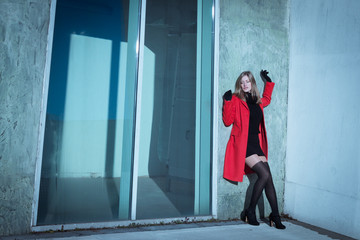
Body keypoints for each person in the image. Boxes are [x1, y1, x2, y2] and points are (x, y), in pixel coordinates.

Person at [222, 70, 286, 229]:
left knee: (268, 177)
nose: (244, 85)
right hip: (244, 144)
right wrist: (227, 101)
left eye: (247, 81)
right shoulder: (236, 99)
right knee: (263, 174)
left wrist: (268, 82)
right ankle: (250, 211)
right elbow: (227, 121)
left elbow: (267, 99)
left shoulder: (257, 100)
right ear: (239, 84)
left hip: (256, 144)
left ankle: (275, 216)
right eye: (242, 82)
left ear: (252, 83)